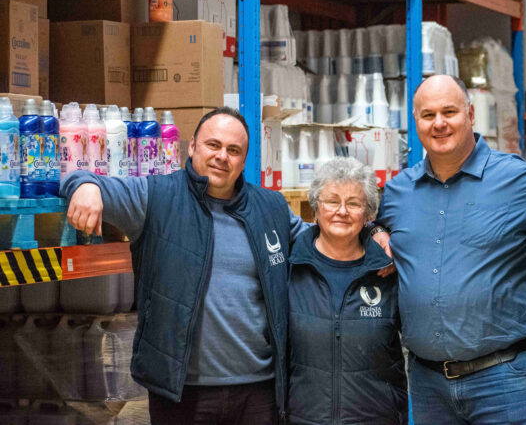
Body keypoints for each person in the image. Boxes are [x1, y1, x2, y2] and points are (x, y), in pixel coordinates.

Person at [61, 107, 306, 425]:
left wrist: (365, 229)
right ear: (192, 147)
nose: (222, 156)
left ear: (244, 160)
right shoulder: (156, 197)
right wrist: (84, 185)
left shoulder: (271, 208)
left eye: (233, 150)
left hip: (259, 393)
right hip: (181, 393)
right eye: (213, 145)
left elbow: (323, 242)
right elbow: (79, 178)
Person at [373, 75, 526, 424]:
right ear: (416, 121)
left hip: (505, 380)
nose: (439, 123)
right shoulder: (397, 192)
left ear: (471, 114)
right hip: (427, 384)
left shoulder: (523, 182)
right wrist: (376, 231)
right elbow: (374, 229)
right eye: (428, 115)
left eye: (449, 112)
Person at [287, 157, 408, 424]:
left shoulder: (388, 270)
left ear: (368, 215)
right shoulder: (290, 267)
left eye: (353, 203)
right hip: (304, 418)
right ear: (315, 208)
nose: (342, 211)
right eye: (332, 201)